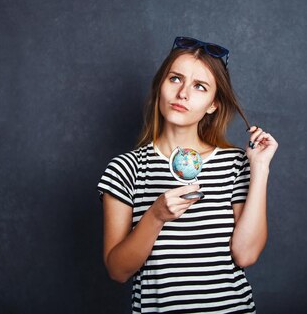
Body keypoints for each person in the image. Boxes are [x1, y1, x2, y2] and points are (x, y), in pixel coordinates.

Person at [97, 37, 278, 313]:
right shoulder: (125, 169)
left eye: (199, 87)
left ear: (213, 105)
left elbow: (246, 254)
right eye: (175, 79)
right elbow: (117, 271)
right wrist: (155, 215)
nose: (183, 94)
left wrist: (260, 168)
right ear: (160, 85)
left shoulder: (235, 164)